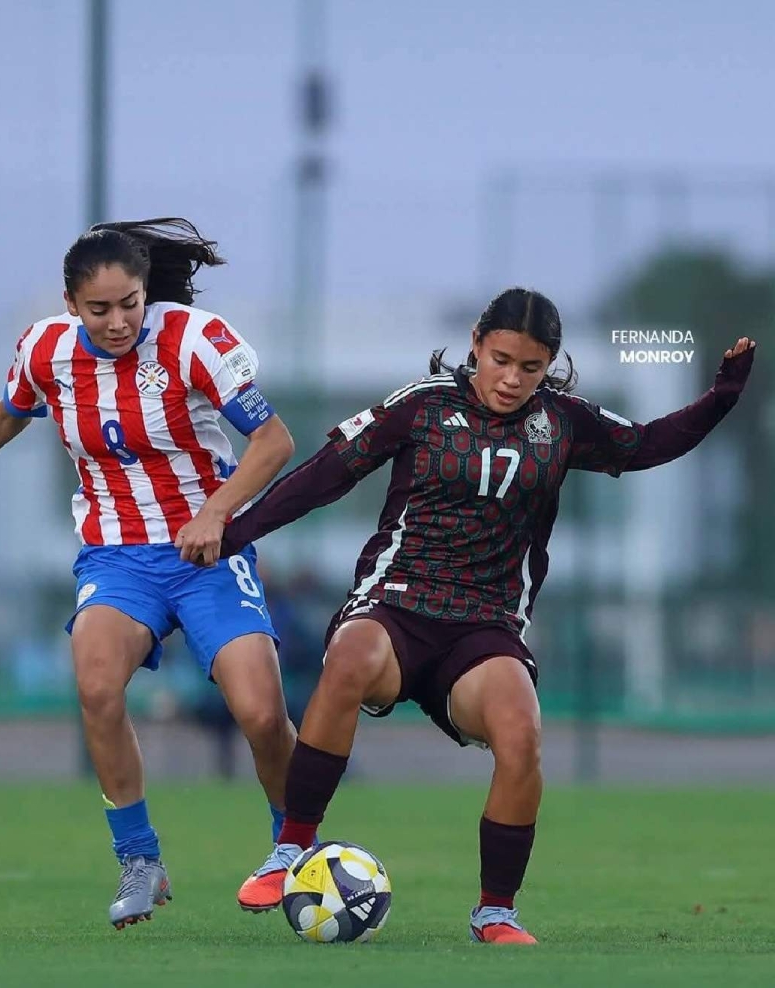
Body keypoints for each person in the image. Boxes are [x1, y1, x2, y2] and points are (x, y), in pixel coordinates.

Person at [208, 287, 757, 941]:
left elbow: (645, 444)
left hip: (485, 627)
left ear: (549, 363)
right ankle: (291, 848)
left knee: (522, 735)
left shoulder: (562, 424)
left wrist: (721, 398)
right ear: (476, 343)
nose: (511, 378)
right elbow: (325, 474)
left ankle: (496, 908)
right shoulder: (421, 406)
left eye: (530, 367)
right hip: (396, 604)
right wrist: (233, 532)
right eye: (501, 359)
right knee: (350, 658)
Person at [0, 217, 303, 926]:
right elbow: (9, 413)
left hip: (208, 556)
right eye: (100, 309)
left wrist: (216, 514)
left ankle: (294, 848)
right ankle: (140, 861)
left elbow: (274, 440)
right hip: (116, 557)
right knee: (96, 685)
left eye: (131, 303)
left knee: (263, 714)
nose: (119, 322)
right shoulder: (45, 348)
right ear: (70, 303)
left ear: (147, 292)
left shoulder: (196, 339)